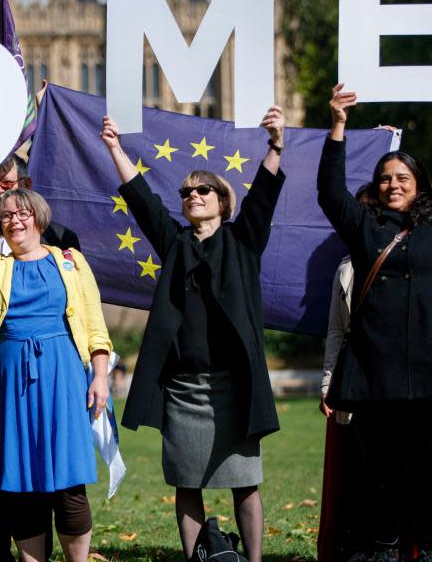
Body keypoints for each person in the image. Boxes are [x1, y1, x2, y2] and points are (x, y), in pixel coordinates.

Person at [102, 107, 287, 561]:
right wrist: (114, 149)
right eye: (186, 192)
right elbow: (143, 200)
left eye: (203, 189)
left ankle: (255, 560)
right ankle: (194, 559)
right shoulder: (176, 244)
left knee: (245, 481)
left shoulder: (242, 242)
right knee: (186, 481)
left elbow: (262, 196)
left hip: (234, 387)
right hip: (184, 390)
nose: (193, 195)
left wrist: (276, 145)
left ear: (223, 201)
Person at [317, 79, 432, 562]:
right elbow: (330, 193)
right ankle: (385, 550)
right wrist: (338, 126)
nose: (393, 185)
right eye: (386, 179)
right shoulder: (363, 229)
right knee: (383, 471)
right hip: (375, 377)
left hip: (431, 372)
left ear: (419, 185)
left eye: (403, 178)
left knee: (431, 471)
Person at [0, 169, 111, 562]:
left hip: (62, 379)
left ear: (38, 218)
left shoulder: (70, 261)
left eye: (22, 213)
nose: (14, 220)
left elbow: (94, 324)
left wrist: (101, 375)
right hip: (8, 385)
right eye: (6, 216)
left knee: (69, 481)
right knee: (22, 484)